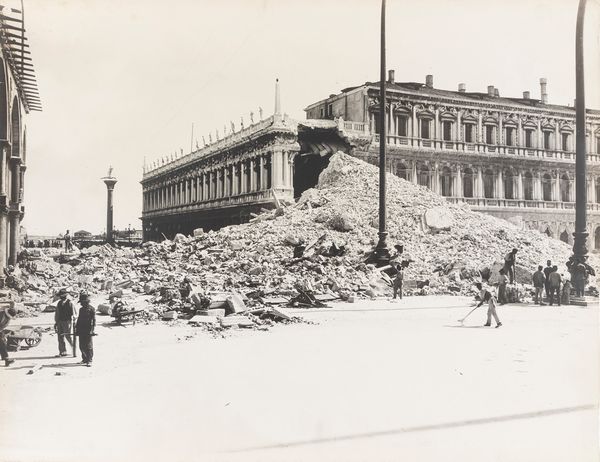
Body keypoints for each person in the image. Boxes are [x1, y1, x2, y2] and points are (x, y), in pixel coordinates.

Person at [75, 293, 96, 367]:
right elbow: (79, 319)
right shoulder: (81, 309)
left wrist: (92, 330)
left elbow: (93, 321)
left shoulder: (91, 309)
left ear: (86, 302)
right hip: (81, 330)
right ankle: (84, 359)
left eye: (82, 302)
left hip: (88, 330)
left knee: (88, 346)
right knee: (81, 345)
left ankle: (89, 360)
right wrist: (76, 329)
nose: (81, 304)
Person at [55, 288, 74, 357]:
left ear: (65, 296)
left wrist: (73, 321)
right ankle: (63, 351)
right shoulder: (59, 303)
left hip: (67, 321)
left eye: (62, 296)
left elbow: (74, 313)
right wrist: (56, 322)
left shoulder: (70, 303)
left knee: (68, 336)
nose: (61, 297)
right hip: (60, 321)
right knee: (60, 337)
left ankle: (74, 350)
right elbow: (57, 313)